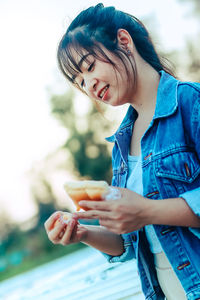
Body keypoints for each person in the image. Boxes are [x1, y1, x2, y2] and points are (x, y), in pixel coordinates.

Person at [44, 3, 200, 299]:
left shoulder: (190, 103)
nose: (89, 85)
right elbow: (129, 242)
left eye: (89, 67)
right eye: (80, 82)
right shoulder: (121, 144)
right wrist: (83, 233)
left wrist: (147, 210)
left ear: (124, 42)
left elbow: (146, 214)